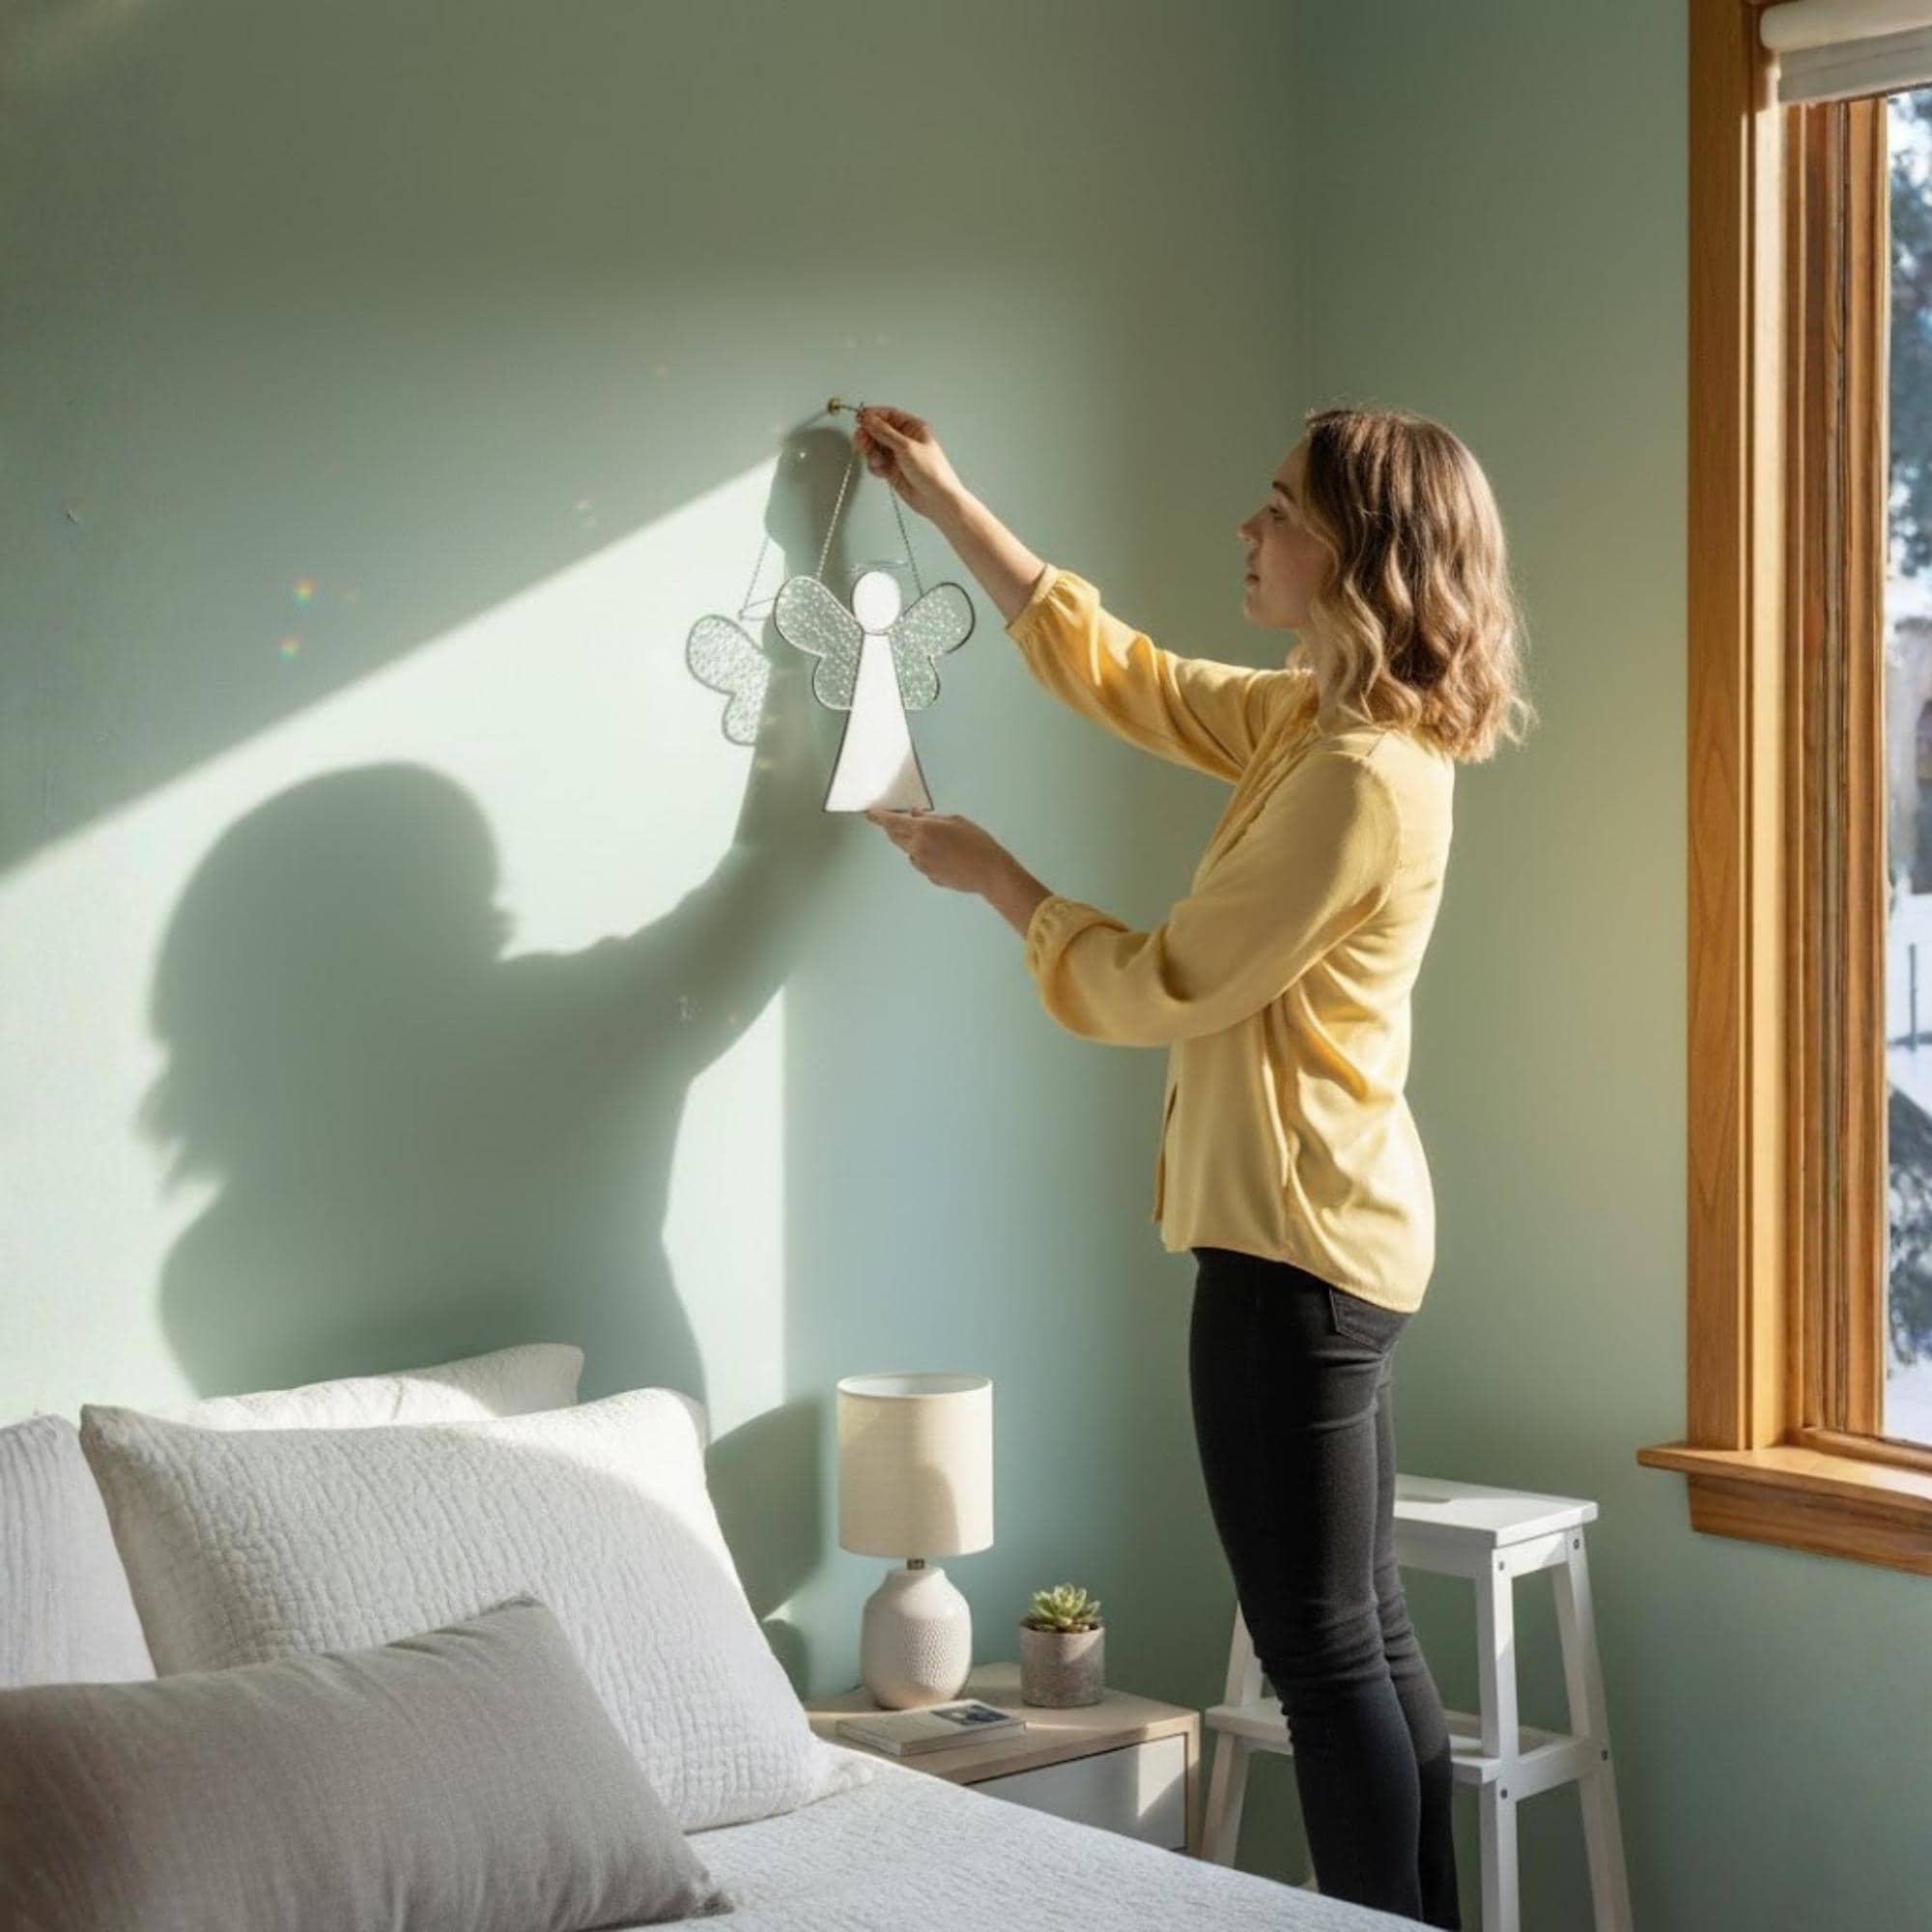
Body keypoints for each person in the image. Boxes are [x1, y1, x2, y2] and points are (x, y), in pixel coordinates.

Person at [853, 400, 1530, 1928]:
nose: (1249, 531)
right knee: (1360, 1636)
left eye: (1279, 510)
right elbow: (1139, 682)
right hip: (1337, 1238)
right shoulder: (1334, 726)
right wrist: (955, 501)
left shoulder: (1358, 779)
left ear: (1356, 555)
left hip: (1292, 1255)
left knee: (1321, 1647)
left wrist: (997, 882)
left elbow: (1164, 983)